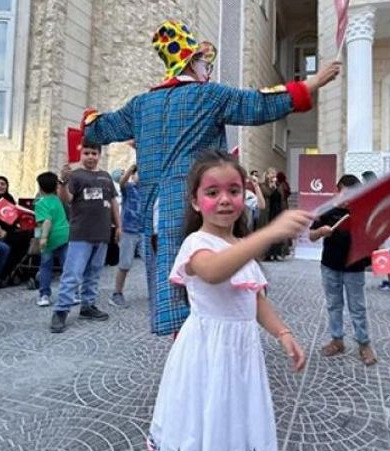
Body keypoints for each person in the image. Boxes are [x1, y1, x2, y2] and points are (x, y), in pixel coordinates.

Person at [82, 19, 340, 336]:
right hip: (196, 208)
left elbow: (99, 129)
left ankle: (186, 351)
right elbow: (258, 104)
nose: (209, 67)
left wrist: (90, 117)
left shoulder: (141, 105)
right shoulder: (209, 96)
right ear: (191, 61)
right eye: (205, 61)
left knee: (176, 287)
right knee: (214, 285)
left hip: (156, 214)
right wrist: (311, 84)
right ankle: (213, 354)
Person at [146, 151, 308, 451]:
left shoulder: (239, 247)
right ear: (195, 202)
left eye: (233, 191)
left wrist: (283, 333)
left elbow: (254, 300)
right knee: (206, 414)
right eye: (212, 192)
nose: (224, 199)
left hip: (242, 351)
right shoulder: (197, 243)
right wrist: (270, 232)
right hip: (207, 352)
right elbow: (213, 272)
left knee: (233, 417)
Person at [50, 139, 120, 333]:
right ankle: (61, 310)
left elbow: (113, 202)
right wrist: (63, 182)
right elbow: (67, 200)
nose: (90, 157)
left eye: (94, 153)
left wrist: (118, 226)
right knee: (72, 273)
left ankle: (88, 305)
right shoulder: (75, 176)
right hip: (81, 234)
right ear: (82, 155)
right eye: (87, 153)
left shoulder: (106, 177)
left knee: (94, 273)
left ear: (99, 155)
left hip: (102, 233)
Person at [309, 175, 377, 366]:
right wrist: (321, 231)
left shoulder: (362, 211)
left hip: (354, 267)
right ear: (336, 191)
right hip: (330, 265)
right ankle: (337, 340)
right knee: (333, 304)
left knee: (357, 307)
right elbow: (311, 235)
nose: (348, 200)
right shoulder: (326, 211)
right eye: (345, 195)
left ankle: (364, 344)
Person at [34, 171, 69, 307]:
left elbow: (45, 221)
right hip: (65, 235)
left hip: (50, 238)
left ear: (40, 187)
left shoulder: (40, 203)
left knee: (46, 267)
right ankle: (71, 294)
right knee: (66, 267)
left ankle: (44, 294)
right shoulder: (57, 199)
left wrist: (41, 238)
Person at [112, 164, 141, 308]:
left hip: (144, 231)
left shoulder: (148, 190)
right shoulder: (129, 188)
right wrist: (131, 168)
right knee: (125, 264)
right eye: (138, 173)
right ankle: (117, 293)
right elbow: (122, 182)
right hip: (129, 230)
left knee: (152, 263)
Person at [261, 167, 287, 261]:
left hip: (277, 211)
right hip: (268, 212)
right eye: (270, 174)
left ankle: (276, 253)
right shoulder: (263, 185)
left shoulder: (278, 185)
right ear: (267, 175)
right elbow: (267, 194)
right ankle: (267, 254)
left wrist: (276, 186)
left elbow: (282, 196)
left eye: (274, 173)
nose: (272, 175)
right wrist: (271, 187)